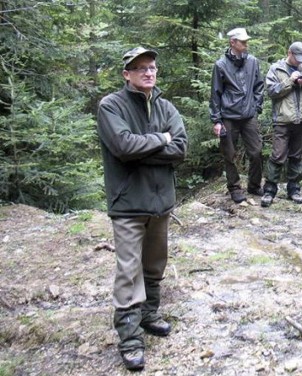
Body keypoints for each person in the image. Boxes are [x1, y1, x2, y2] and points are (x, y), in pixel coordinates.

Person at [97, 47, 188, 370]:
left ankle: (149, 315)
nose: (148, 73)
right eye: (139, 68)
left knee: (154, 265)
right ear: (127, 74)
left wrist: (147, 145)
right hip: (128, 203)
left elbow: (180, 149)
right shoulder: (112, 106)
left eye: (151, 67)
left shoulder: (165, 107)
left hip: (160, 201)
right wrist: (160, 139)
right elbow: (122, 146)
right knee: (128, 271)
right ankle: (130, 337)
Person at [209, 27, 265, 203]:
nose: (246, 44)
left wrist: (256, 106)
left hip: (249, 116)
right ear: (232, 42)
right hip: (228, 116)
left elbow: (259, 85)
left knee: (256, 152)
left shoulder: (253, 61)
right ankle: (234, 188)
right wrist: (217, 120)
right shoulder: (220, 65)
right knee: (230, 155)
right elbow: (215, 93)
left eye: (246, 41)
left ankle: (254, 185)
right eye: (242, 41)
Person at [261, 42, 302, 207]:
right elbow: (271, 92)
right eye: (297, 57)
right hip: (282, 120)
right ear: (289, 53)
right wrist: (290, 82)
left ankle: (294, 189)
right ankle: (269, 190)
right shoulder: (276, 69)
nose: (300, 61)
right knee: (278, 155)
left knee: (296, 156)